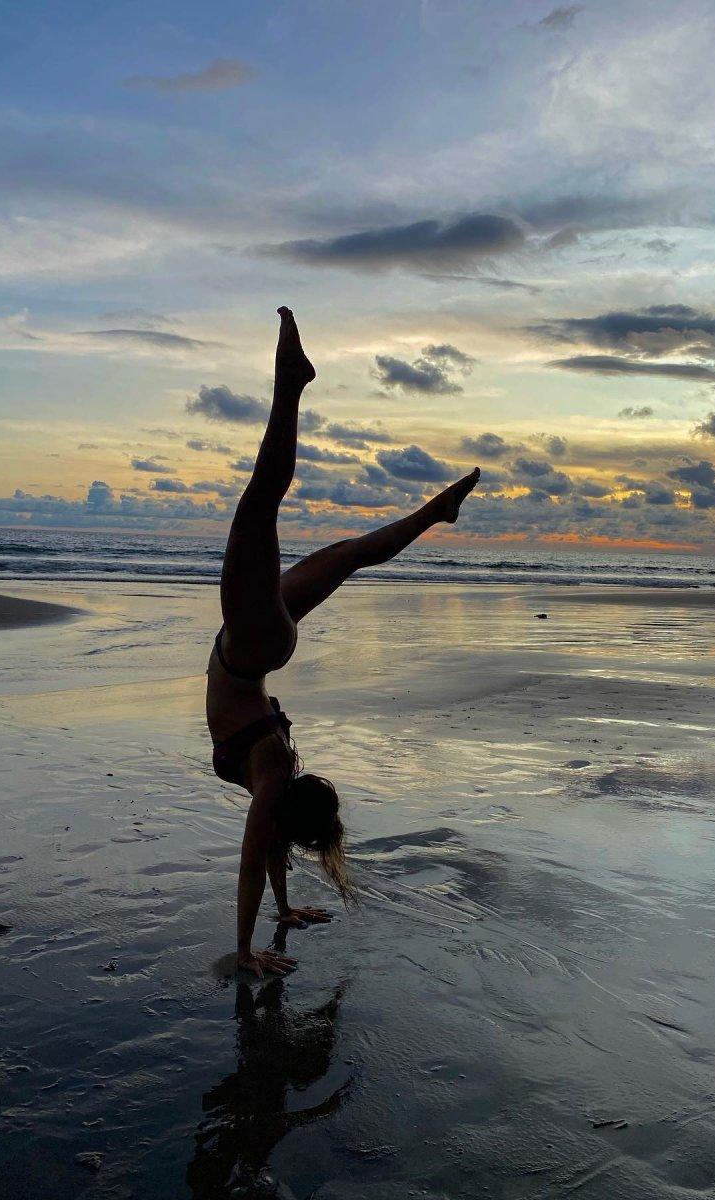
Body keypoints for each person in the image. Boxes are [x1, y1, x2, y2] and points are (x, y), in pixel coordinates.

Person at [206, 307, 480, 977]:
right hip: (249, 650)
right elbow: (257, 858)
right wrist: (252, 942)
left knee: (342, 549)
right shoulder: (275, 782)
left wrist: (273, 923)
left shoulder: (278, 784)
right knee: (265, 507)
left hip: (257, 652)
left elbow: (262, 853)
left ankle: (427, 509)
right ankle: (292, 389)